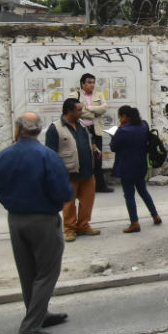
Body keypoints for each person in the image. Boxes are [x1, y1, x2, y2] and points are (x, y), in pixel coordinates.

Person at [0, 112, 74, 334]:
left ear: (18, 130)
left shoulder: (5, 155)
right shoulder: (47, 156)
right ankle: (30, 326)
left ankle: (39, 314)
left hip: (15, 218)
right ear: (39, 131)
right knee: (47, 272)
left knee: (27, 272)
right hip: (43, 218)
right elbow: (64, 191)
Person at [45, 97, 100, 242]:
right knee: (69, 203)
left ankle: (83, 225)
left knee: (87, 200)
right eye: (79, 110)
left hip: (87, 170)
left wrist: (94, 148)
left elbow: (89, 139)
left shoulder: (82, 124)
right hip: (68, 172)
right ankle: (69, 229)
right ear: (69, 111)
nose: (81, 112)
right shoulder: (55, 128)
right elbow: (50, 153)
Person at [109, 105, 161, 233]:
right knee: (143, 191)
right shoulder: (143, 126)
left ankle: (134, 222)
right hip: (141, 164)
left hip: (126, 166)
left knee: (129, 195)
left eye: (120, 117)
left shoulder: (122, 131)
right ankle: (155, 215)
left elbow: (113, 147)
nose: (120, 119)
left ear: (125, 117)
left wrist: (114, 135)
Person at [74, 73, 112, 193]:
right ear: (82, 84)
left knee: (98, 158)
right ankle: (84, 186)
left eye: (93, 82)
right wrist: (94, 112)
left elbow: (104, 107)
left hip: (96, 130)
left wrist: (88, 108)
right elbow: (76, 111)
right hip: (82, 130)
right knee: (83, 158)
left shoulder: (99, 94)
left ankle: (100, 186)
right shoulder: (75, 95)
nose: (92, 85)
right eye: (89, 82)